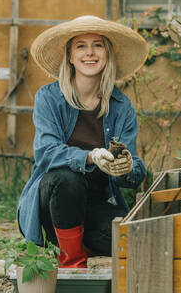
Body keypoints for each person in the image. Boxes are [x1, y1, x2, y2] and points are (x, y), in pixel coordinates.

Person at [17, 15, 148, 268]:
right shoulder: (49, 98)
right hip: (51, 204)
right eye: (81, 46)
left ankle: (79, 243)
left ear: (107, 54)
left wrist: (127, 167)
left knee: (135, 239)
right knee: (68, 178)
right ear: (70, 56)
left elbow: (132, 173)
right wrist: (90, 156)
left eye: (98, 45)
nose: (90, 53)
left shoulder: (121, 107)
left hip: (95, 205)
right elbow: (47, 153)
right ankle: (72, 263)